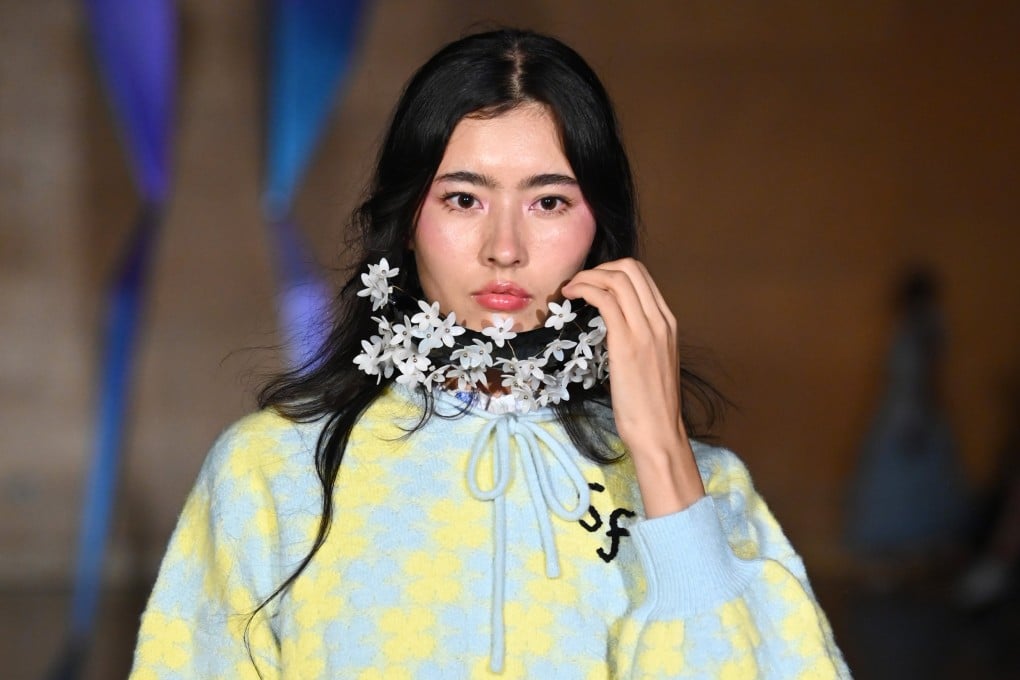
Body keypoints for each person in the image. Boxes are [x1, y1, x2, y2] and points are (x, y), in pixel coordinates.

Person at [130, 28, 849, 679]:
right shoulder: (271, 474)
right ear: (408, 219)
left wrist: (661, 459)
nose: (504, 248)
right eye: (464, 199)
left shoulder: (708, 491)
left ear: (598, 230)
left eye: (549, 202)